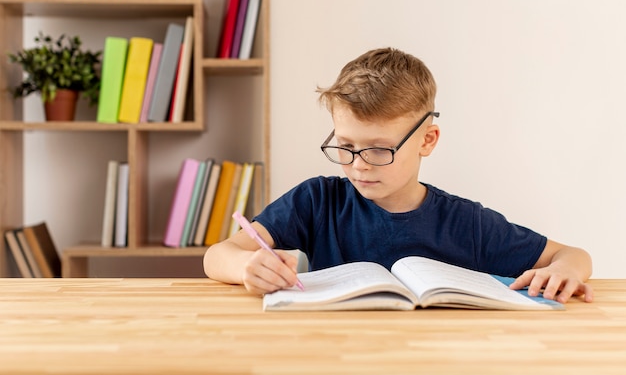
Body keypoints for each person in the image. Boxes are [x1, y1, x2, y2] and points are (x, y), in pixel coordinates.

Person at [203, 47, 593, 303]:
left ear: (427, 140)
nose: (358, 164)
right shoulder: (316, 201)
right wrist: (245, 268)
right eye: (345, 146)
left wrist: (564, 270)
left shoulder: (465, 223)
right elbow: (218, 255)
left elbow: (572, 255)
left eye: (379, 149)